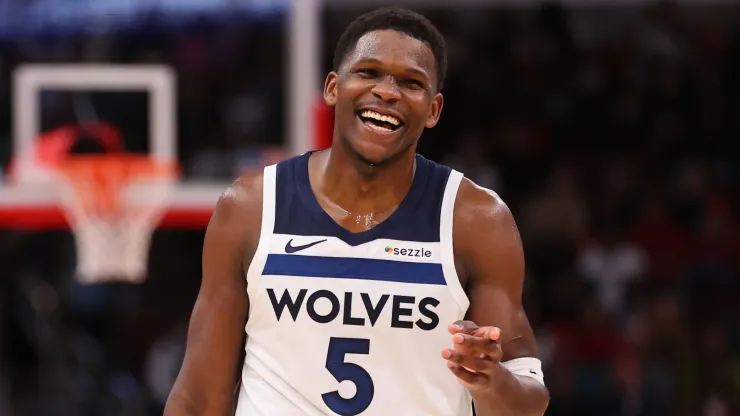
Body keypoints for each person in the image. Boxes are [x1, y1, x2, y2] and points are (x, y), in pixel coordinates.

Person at [165, 7, 549, 416]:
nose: (387, 91)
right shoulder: (250, 207)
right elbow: (198, 397)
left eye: (411, 82)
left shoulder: (475, 220)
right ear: (333, 87)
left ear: (434, 110)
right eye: (368, 72)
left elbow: (527, 405)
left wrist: (491, 381)